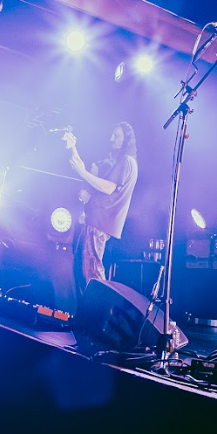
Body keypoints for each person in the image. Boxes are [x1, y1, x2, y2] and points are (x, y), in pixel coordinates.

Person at [64, 122, 138, 307]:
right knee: (83, 269)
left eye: (116, 136)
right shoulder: (119, 162)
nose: (111, 139)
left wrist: (83, 173)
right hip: (95, 220)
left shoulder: (127, 162)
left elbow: (107, 187)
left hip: (99, 222)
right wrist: (74, 149)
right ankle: (87, 312)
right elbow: (91, 179)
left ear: (126, 140)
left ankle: (97, 312)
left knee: (92, 271)